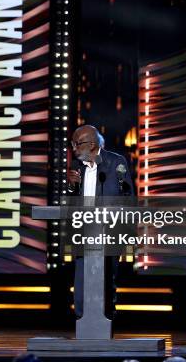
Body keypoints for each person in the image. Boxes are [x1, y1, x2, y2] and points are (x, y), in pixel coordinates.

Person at [67, 125, 134, 321]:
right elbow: (71, 200)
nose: (73, 149)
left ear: (92, 144)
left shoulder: (115, 162)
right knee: (81, 281)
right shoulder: (76, 166)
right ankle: (82, 321)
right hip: (83, 231)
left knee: (106, 281)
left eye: (77, 144)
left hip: (110, 231)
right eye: (72, 144)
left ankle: (105, 322)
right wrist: (71, 188)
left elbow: (127, 196)